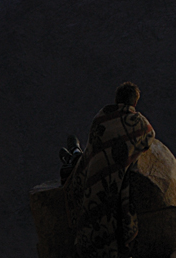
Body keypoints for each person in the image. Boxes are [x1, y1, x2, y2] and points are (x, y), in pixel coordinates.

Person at [66, 82, 156, 258]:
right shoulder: (137, 122)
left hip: (91, 179)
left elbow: (93, 150)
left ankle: (74, 153)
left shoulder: (102, 116)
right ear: (135, 102)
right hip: (113, 185)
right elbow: (149, 136)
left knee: (79, 162)